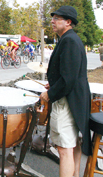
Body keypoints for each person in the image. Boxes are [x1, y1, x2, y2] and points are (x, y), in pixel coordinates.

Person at [40, 6, 92, 177]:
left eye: (57, 18)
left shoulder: (69, 40)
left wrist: (50, 94)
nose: (53, 21)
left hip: (68, 100)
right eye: (52, 18)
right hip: (74, 96)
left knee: (64, 149)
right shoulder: (69, 39)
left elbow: (68, 79)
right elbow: (71, 74)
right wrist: (53, 84)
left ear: (68, 22)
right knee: (72, 144)